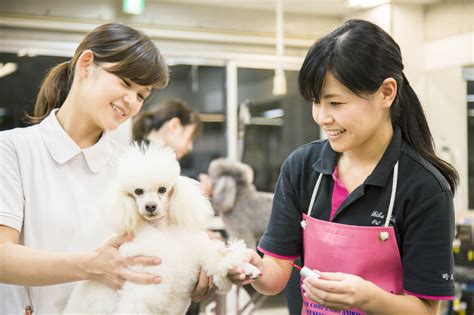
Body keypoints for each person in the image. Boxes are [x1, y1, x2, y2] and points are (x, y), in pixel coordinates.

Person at [229, 19, 458, 315]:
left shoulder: (424, 187)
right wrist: (254, 268)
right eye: (315, 102)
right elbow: (276, 274)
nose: (322, 117)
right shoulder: (301, 168)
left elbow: (426, 310)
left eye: (335, 103)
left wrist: (366, 298)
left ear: (386, 93)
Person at [0, 23, 208, 314]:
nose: (131, 102)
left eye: (141, 95)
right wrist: (90, 266)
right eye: (125, 83)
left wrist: (199, 267)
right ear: (86, 65)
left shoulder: (131, 169)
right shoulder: (13, 150)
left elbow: (162, 243)